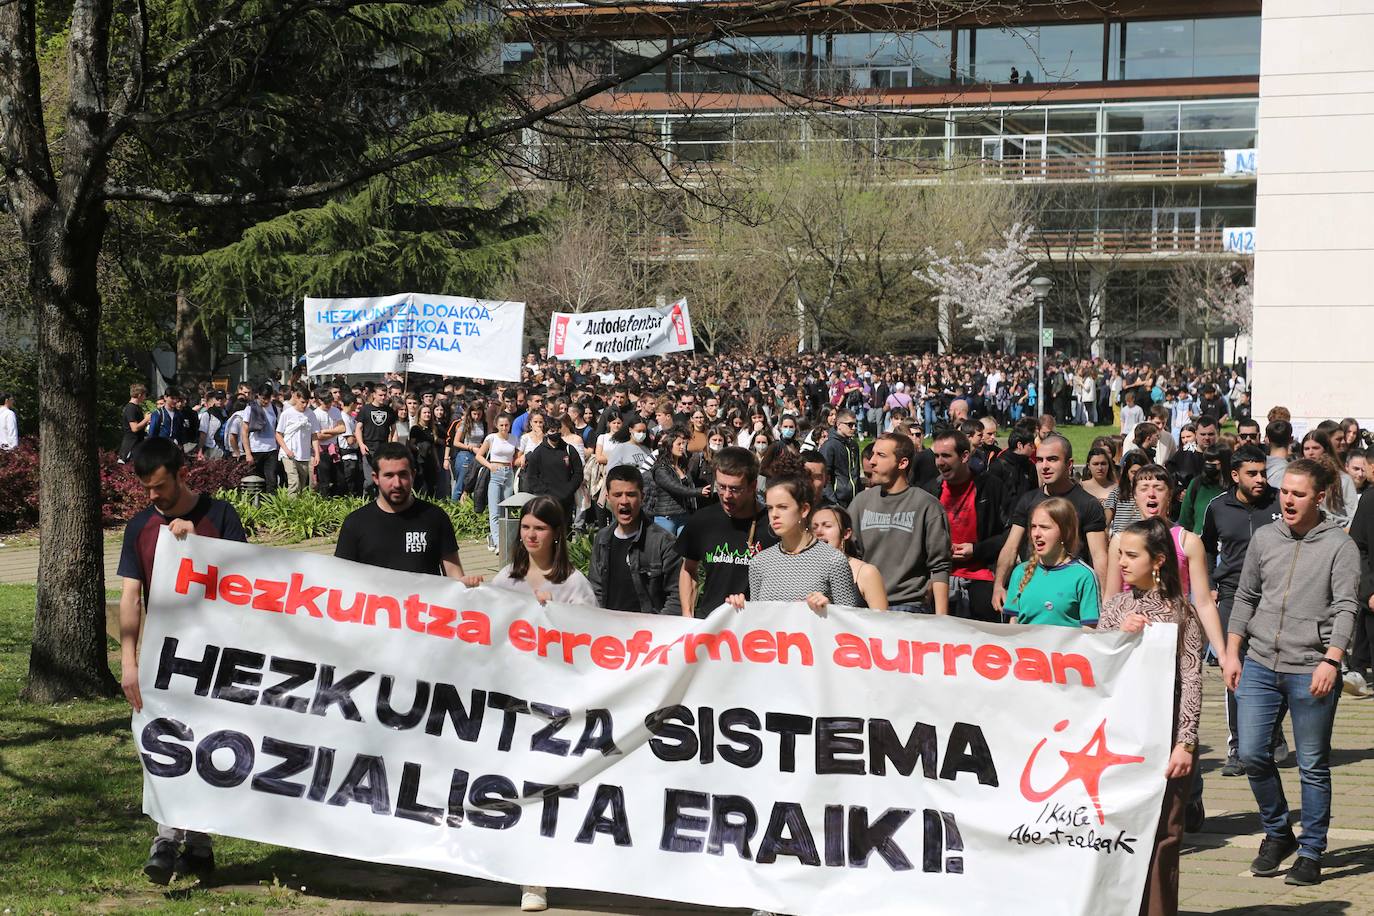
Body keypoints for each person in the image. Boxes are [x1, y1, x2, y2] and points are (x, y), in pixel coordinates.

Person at [116, 438, 247, 884]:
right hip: (164, 656)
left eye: (160, 487)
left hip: (220, 656)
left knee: (207, 746)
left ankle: (186, 842)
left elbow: (247, 582)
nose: (153, 497)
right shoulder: (140, 528)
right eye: (147, 489)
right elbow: (131, 597)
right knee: (166, 743)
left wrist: (196, 550)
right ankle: (177, 841)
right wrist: (128, 661)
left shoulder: (221, 516)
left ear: (181, 473)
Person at [1226, 458, 1361, 886]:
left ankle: (1312, 850)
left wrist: (1332, 659)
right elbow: (1245, 596)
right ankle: (1278, 832)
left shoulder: (1340, 547)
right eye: (1285, 491)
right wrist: (1232, 652)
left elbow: (1346, 608)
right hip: (1260, 662)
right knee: (1250, 753)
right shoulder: (1266, 537)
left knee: (1313, 764)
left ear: (1319, 497)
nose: (1287, 499)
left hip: (1311, 669)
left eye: (1298, 494)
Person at [1099, 517, 1204, 916]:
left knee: (1164, 834)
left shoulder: (1182, 614)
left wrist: (1186, 743)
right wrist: (1118, 636)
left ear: (1158, 560)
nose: (1121, 562)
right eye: (1120, 553)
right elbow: (1097, 666)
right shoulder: (1115, 607)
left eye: (1131, 555)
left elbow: (1192, 681)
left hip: (1166, 740)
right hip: (1120, 739)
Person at [993, 434, 1108, 613]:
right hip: (1031, 590)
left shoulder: (1088, 504)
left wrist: (1103, 600)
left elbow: (1099, 556)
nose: (1044, 466)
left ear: (1069, 464)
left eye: (1052, 459)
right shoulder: (1028, 500)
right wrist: (999, 585)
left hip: (1071, 598)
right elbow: (1010, 548)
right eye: (1040, 460)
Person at [848, 433, 951, 614]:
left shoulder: (927, 505)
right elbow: (848, 557)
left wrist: (942, 621)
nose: (871, 461)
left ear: (902, 463)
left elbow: (940, 566)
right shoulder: (860, 502)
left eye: (881, 455)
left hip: (910, 607)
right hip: (866, 607)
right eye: (872, 454)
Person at [334, 442, 466, 578]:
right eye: (389, 476)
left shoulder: (435, 518)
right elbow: (341, 581)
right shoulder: (355, 523)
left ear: (413, 475)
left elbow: (454, 574)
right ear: (376, 478)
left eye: (403, 475)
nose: (397, 484)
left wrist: (466, 588)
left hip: (423, 598)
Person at [676, 446, 780, 617]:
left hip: (757, 627)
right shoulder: (703, 520)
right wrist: (688, 617)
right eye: (721, 487)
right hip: (711, 623)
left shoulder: (773, 525)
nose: (726, 496)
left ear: (753, 486)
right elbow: (688, 569)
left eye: (735, 489)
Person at [729, 475, 858, 610]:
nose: (774, 514)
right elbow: (758, 622)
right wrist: (741, 608)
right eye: (770, 508)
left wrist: (828, 609)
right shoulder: (760, 562)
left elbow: (848, 620)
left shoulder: (833, 560)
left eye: (782, 507)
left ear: (804, 510)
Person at [922, 428, 1008, 622]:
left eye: (946, 456)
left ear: (964, 457)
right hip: (940, 577)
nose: (939, 462)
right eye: (936, 456)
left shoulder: (990, 486)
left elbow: (1010, 533)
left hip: (983, 576)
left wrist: (977, 550)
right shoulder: (930, 490)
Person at [588, 464, 682, 614]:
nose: (624, 501)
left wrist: (658, 631)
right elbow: (595, 588)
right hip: (610, 630)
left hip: (649, 632)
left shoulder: (664, 542)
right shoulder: (602, 538)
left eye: (631, 494)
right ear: (608, 498)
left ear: (642, 497)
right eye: (617, 495)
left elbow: (677, 596)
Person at [1004, 497, 1099, 628]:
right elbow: (1013, 624)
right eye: (1033, 527)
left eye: (1044, 527)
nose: (1036, 534)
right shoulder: (1020, 572)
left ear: (1065, 532)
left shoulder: (1084, 576)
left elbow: (1090, 632)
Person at [810, 505, 888, 609]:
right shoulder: (806, 570)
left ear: (846, 533)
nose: (819, 532)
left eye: (827, 526)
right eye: (814, 527)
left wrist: (830, 611)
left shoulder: (867, 572)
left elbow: (881, 621)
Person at [521, 413, 584, 522]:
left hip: (566, 498)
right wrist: (544, 493)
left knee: (564, 530)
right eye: (552, 431)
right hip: (546, 499)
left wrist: (569, 489)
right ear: (546, 432)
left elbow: (578, 473)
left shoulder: (569, 449)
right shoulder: (538, 452)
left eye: (557, 430)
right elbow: (531, 476)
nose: (555, 433)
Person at [475, 414, 520, 553]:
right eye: (501, 425)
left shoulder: (513, 438)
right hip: (495, 472)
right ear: (496, 425)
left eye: (506, 425)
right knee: (494, 510)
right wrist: (489, 466)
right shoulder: (491, 438)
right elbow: (479, 456)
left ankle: (502, 539)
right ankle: (498, 542)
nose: (504, 428)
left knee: (505, 509)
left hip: (508, 473)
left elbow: (517, 455)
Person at [650, 427, 705, 535]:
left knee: (683, 549)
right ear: (670, 446)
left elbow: (688, 484)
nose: (682, 447)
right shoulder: (661, 468)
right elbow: (675, 487)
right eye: (679, 444)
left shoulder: (682, 466)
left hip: (683, 514)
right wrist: (699, 491)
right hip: (667, 517)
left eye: (683, 444)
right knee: (667, 548)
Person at [274, 385, 317, 496]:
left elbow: (314, 435)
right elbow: (278, 434)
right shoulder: (287, 414)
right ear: (296, 397)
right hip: (288, 453)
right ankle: (290, 509)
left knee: (302, 485)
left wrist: (317, 454)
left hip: (304, 455)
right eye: (302, 402)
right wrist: (286, 450)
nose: (305, 405)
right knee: (294, 482)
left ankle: (299, 509)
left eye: (307, 402)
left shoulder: (311, 414)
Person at [1179, 444, 1228, 535]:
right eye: (1207, 460)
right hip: (1198, 542)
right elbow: (1185, 518)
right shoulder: (1197, 484)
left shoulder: (1233, 488)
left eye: (1213, 460)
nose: (1209, 463)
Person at [242, 383, 281, 490]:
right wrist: (248, 453)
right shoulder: (250, 408)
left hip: (271, 450)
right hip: (255, 450)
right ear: (258, 395)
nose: (266, 401)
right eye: (263, 398)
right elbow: (244, 432)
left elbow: (278, 430)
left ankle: (271, 504)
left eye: (268, 398)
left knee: (271, 480)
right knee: (257, 481)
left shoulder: (275, 409)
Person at [820, 410, 863, 506]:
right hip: (838, 502)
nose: (854, 428)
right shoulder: (829, 446)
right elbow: (825, 477)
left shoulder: (854, 445)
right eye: (850, 425)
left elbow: (856, 474)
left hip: (854, 501)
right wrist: (833, 503)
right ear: (839, 425)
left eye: (855, 425)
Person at [119, 384, 149, 460]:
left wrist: (146, 422)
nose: (145, 398)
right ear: (139, 395)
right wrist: (146, 419)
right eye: (144, 395)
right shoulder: (130, 408)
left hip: (138, 445)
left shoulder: (137, 407)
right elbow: (134, 428)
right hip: (131, 446)